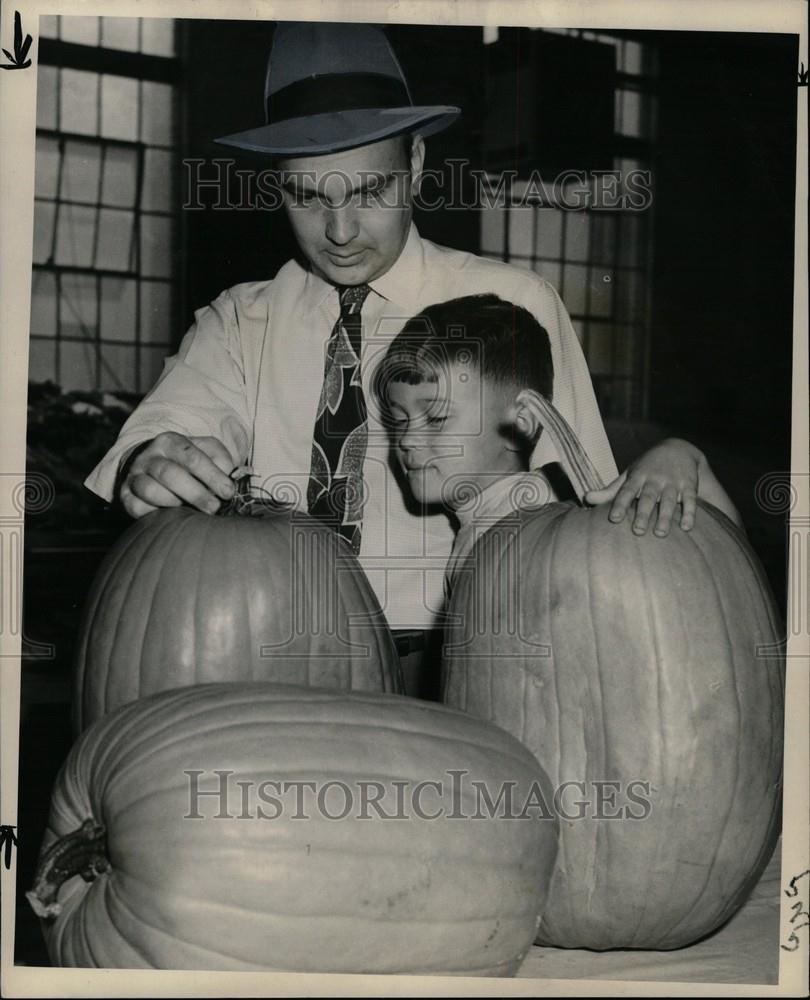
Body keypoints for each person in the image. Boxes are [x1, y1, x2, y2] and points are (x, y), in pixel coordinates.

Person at [84, 21, 662, 694]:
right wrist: (151, 460)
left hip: (459, 670)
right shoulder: (240, 321)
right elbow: (162, 433)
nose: (339, 231)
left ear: (415, 162)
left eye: (368, 193)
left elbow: (586, 514)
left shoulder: (510, 303)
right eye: (308, 197)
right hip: (272, 667)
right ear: (277, 185)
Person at [372, 293, 743, 595]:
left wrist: (683, 456)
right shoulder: (481, 526)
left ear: (522, 422)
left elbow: (722, 569)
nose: (406, 438)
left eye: (436, 418)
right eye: (399, 419)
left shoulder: (542, 513)